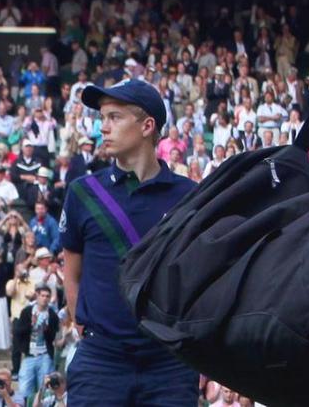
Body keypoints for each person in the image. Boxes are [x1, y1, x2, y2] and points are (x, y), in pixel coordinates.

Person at [61, 79, 198, 405]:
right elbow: (71, 273)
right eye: (102, 118)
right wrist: (85, 327)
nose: (102, 127)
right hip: (100, 361)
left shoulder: (190, 196)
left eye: (114, 117)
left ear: (147, 125)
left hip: (168, 364)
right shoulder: (83, 192)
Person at [16, 286, 58, 404]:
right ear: (37, 296)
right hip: (30, 355)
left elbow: (52, 337)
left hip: (45, 354)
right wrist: (31, 324)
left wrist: (46, 329)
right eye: (42, 296)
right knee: (24, 387)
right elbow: (18, 331)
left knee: (44, 388)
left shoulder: (52, 314)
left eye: (47, 296)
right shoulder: (27, 311)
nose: (45, 299)